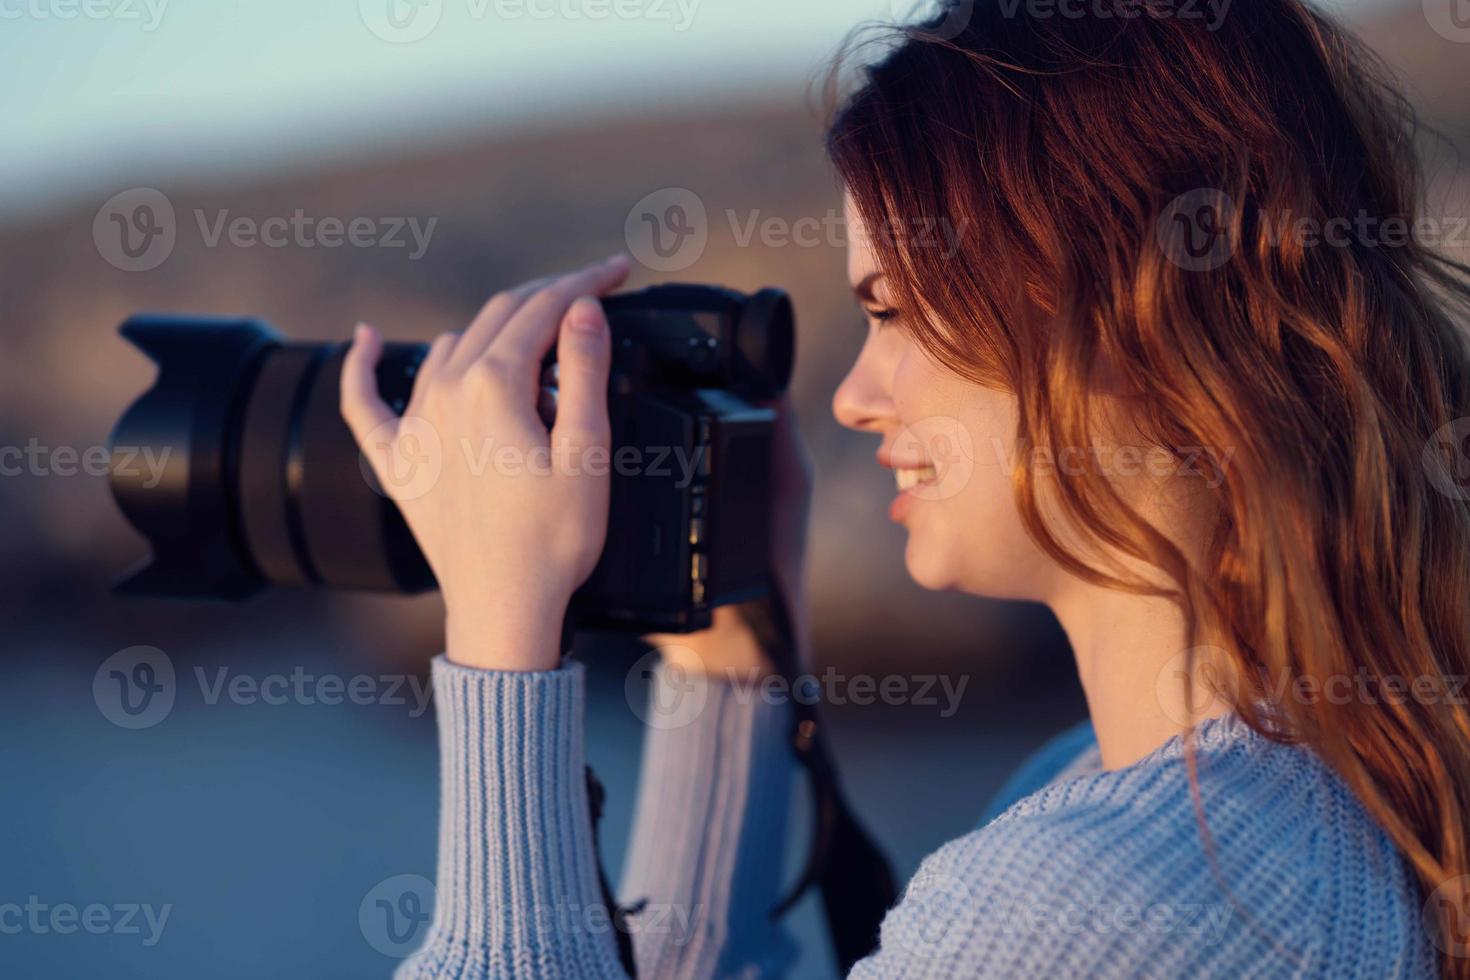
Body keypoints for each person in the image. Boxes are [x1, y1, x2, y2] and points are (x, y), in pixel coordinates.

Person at [339, 1, 1470, 975]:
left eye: (890, 310)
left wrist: (496, 639)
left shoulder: (1089, 895)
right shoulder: (1287, 782)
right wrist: (732, 664)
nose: (854, 395)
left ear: (1117, 319)